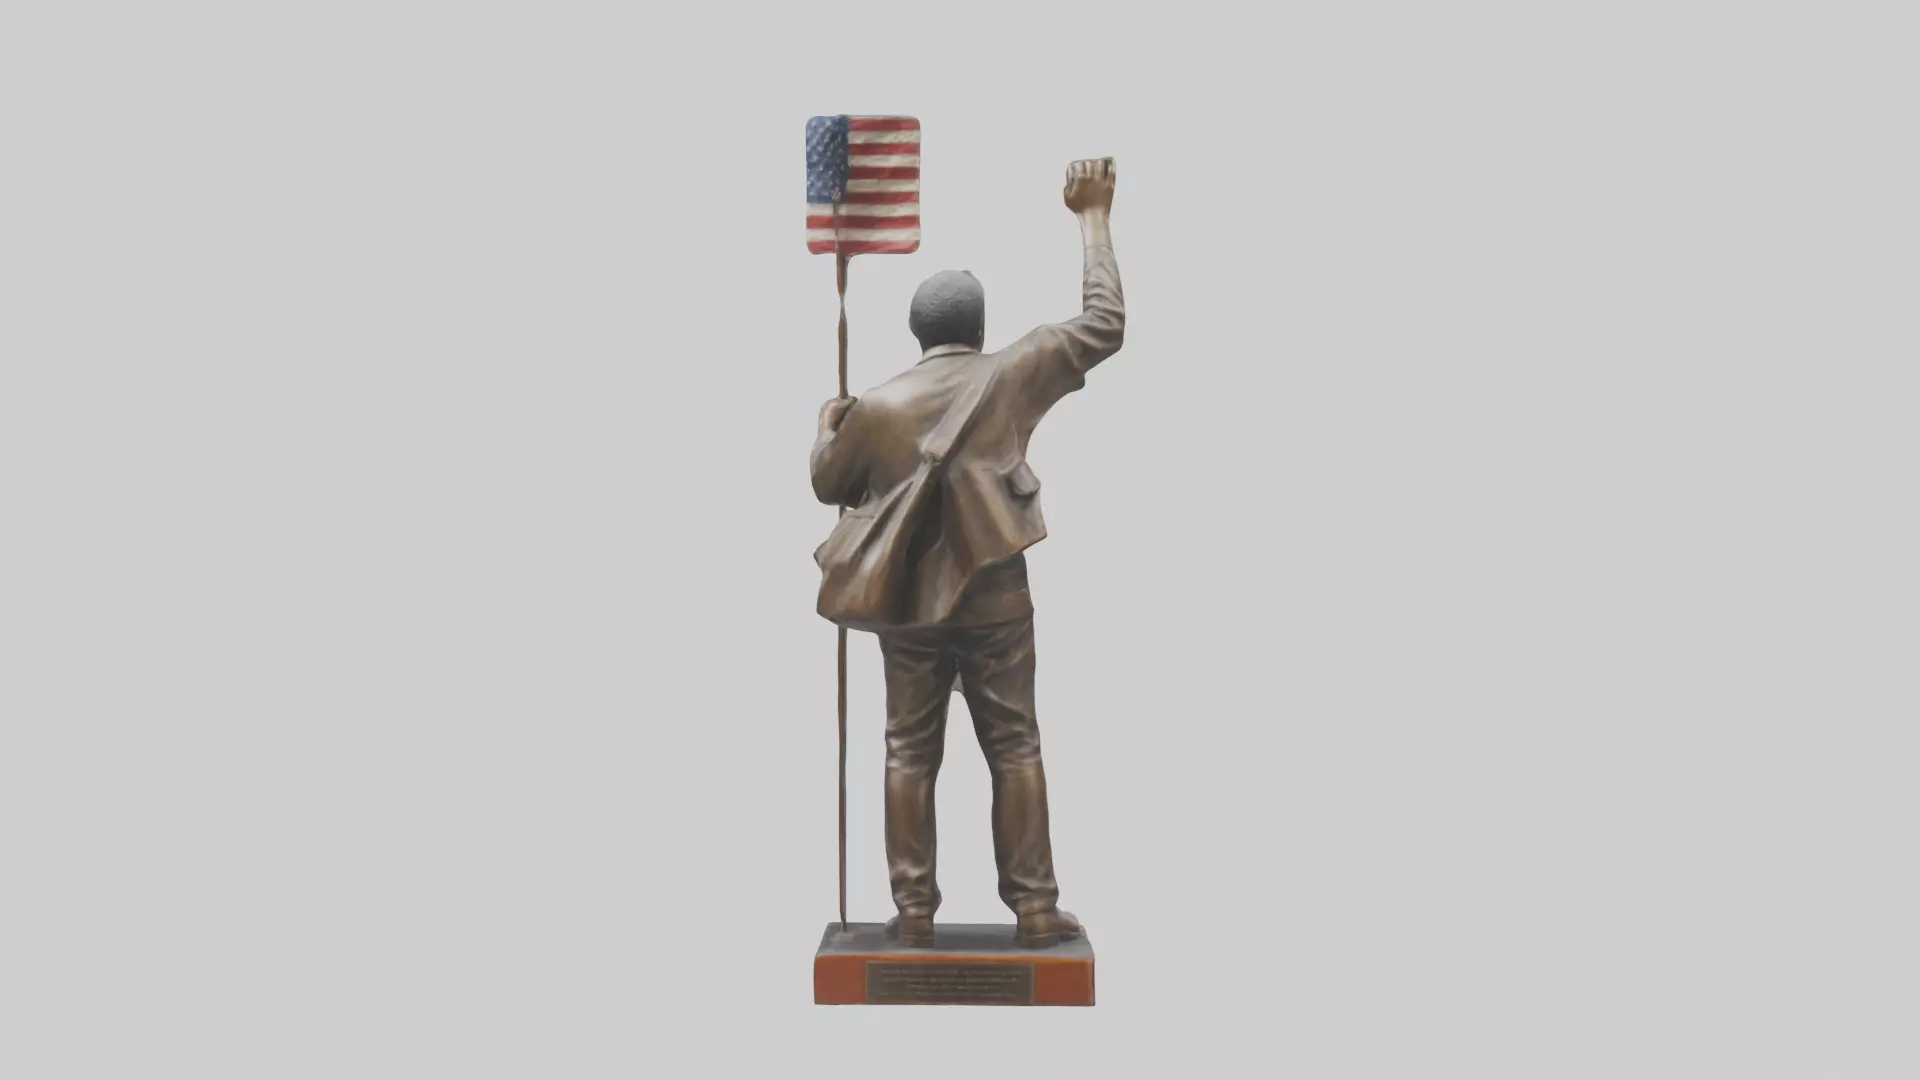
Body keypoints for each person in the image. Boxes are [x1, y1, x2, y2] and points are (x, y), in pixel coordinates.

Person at [809, 158, 1123, 948]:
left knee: (907, 752)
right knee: (1016, 745)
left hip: (907, 607)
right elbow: (1105, 323)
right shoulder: (1016, 369)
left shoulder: (876, 406)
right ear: (978, 330)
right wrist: (1093, 216)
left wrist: (826, 424)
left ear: (918, 334)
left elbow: (826, 484)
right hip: (997, 599)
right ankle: (1036, 910)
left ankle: (913, 917)